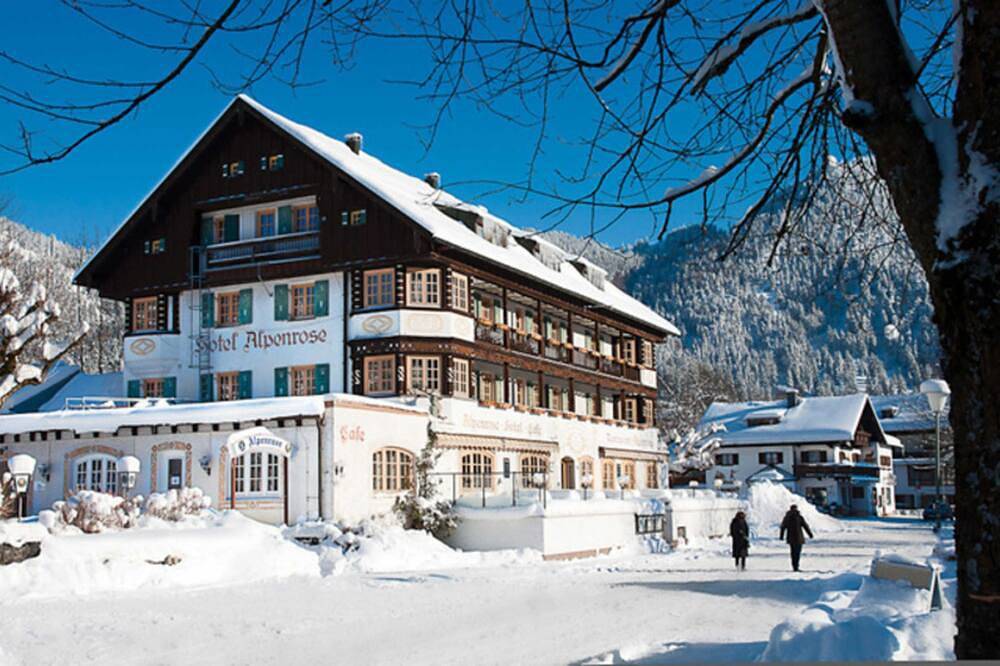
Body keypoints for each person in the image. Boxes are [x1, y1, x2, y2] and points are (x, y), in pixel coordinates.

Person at [779, 504, 814, 572]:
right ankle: (796, 566)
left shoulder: (787, 517)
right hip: (799, 538)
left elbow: (783, 527)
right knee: (797, 552)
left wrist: (781, 536)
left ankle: (794, 566)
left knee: (793, 552)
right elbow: (805, 526)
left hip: (791, 538)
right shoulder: (799, 517)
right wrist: (810, 534)